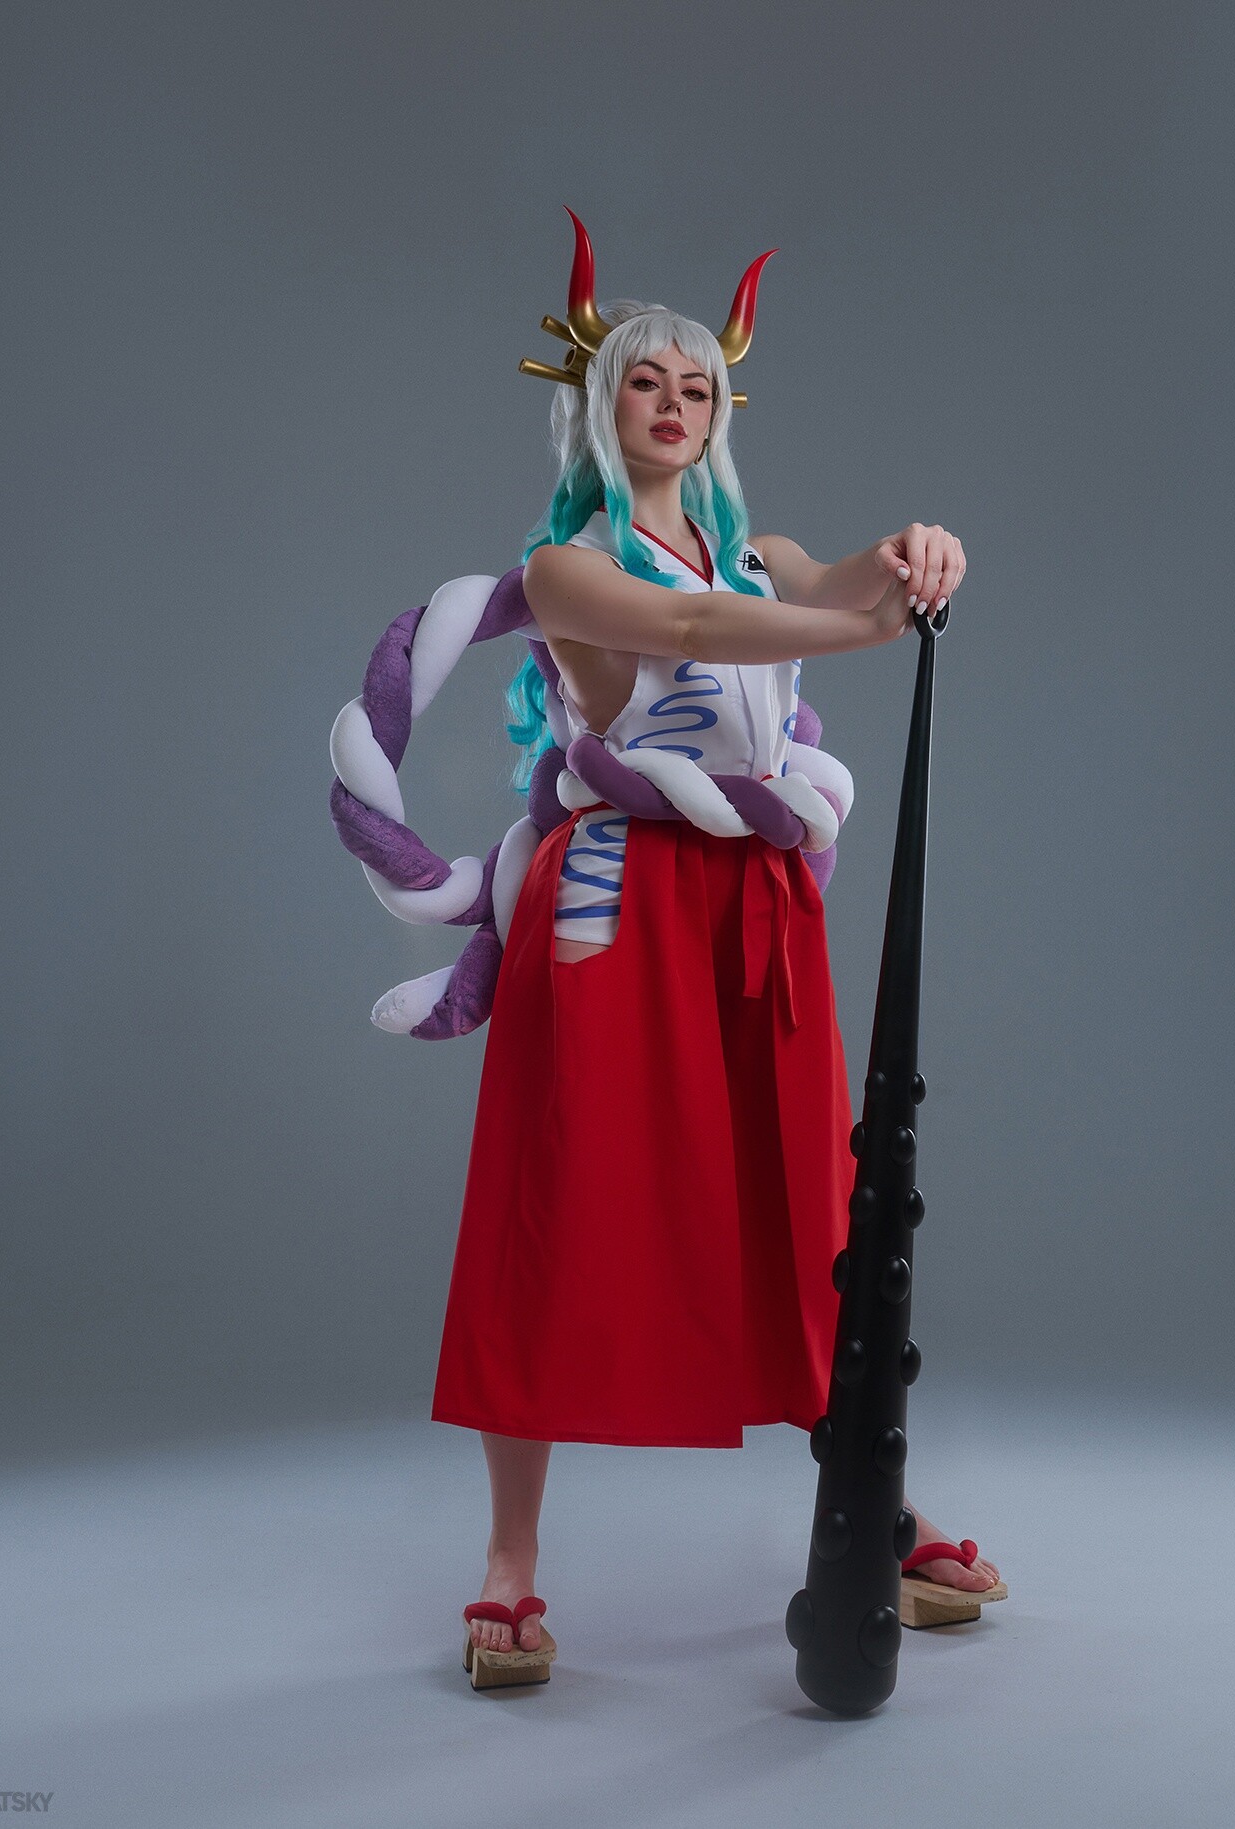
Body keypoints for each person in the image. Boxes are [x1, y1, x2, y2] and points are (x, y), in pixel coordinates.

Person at [430, 216, 997, 1673]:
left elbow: (842, 578)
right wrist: (867, 631)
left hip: (759, 904)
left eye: (699, 384)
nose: (675, 402)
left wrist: (918, 553)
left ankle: (872, 1502)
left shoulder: (757, 551)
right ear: (599, 404)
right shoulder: (564, 570)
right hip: (616, 906)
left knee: (815, 1217)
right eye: (646, 380)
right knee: (557, 1210)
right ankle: (509, 1559)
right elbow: (690, 626)